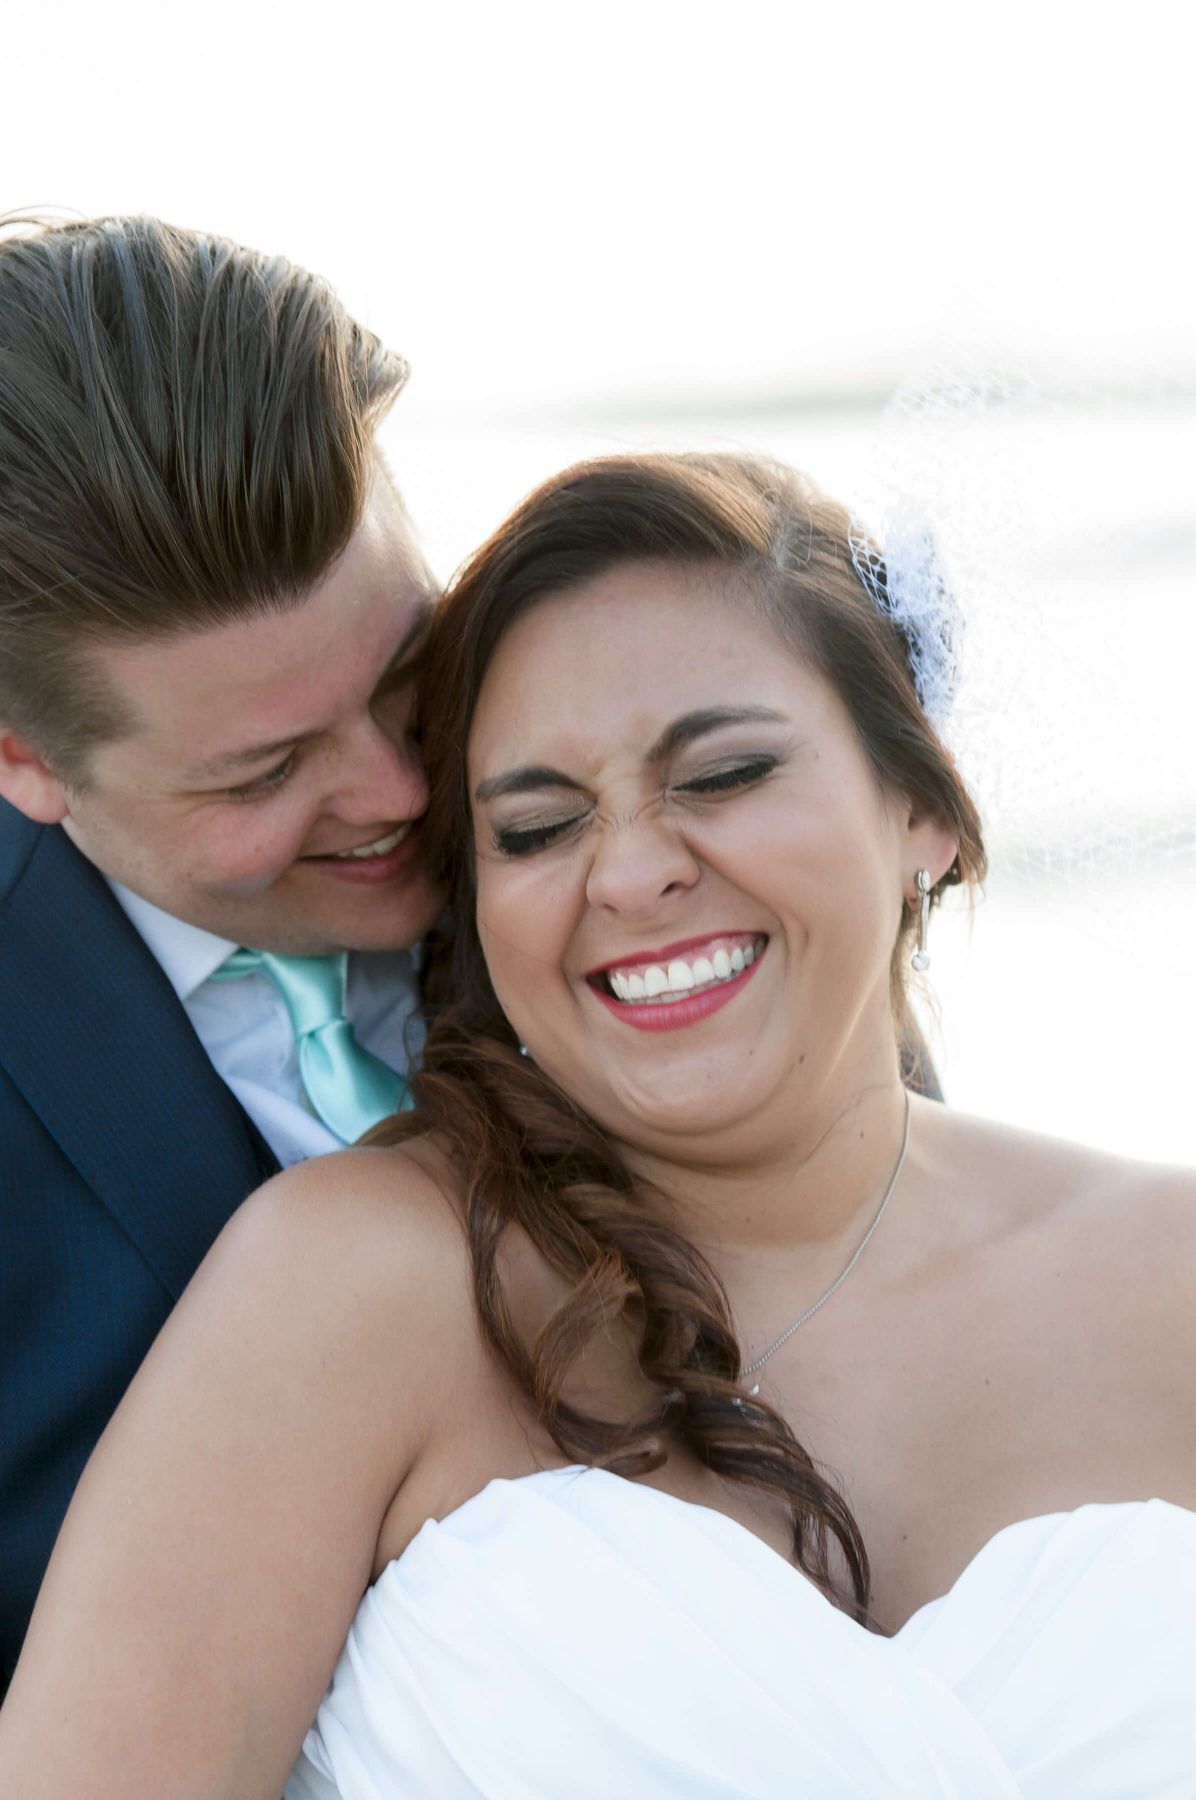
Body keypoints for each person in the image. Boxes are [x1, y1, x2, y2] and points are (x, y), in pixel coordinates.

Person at [3, 451, 1194, 1797]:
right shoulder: (347, 1293)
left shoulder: (1175, 1277)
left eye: (726, 772)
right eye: (538, 826)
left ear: (920, 802)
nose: (631, 874)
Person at [0, 215, 443, 1688]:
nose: (397, 791)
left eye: (409, 668)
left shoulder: (673, 832)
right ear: (23, 760)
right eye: (263, 775)